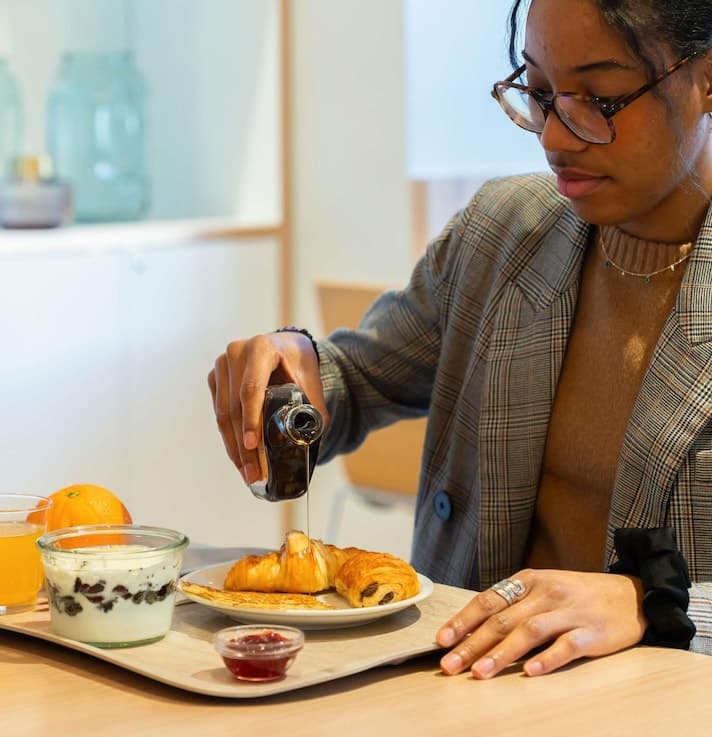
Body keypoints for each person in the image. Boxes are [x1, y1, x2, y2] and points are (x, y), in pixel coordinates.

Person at [208, 0, 712, 679]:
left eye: (600, 98)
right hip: (460, 689)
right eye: (539, 93)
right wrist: (292, 373)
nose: (555, 137)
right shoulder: (503, 233)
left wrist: (655, 604)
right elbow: (356, 380)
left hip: (664, 708)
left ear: (705, 78)